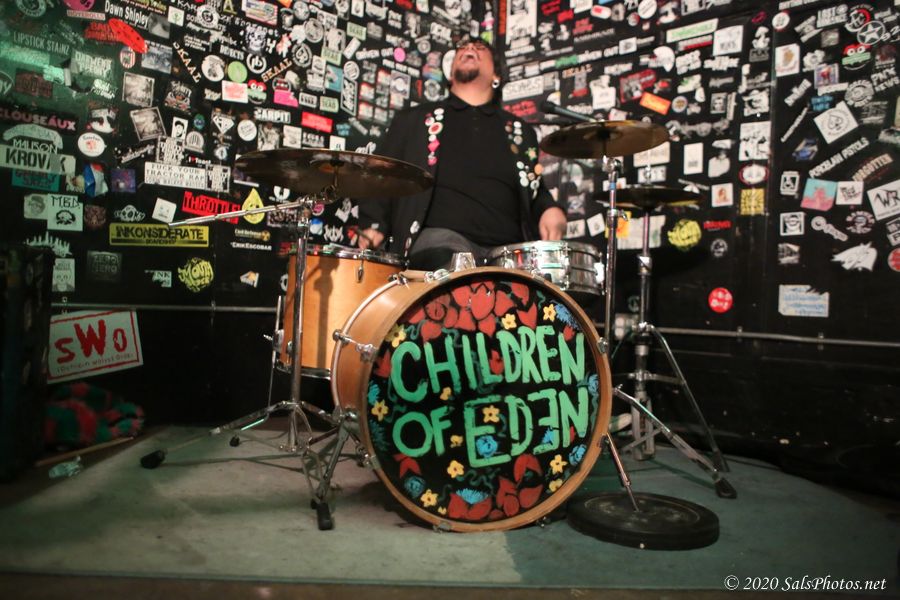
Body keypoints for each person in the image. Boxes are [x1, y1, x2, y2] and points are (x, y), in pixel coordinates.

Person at [357, 37, 566, 270]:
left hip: (507, 252)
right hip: (441, 242)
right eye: (463, 48)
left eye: (479, 48)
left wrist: (550, 210)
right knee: (456, 262)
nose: (469, 49)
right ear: (450, 75)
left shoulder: (520, 131)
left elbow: (535, 190)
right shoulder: (414, 120)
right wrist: (373, 224)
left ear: (497, 76)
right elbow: (382, 172)